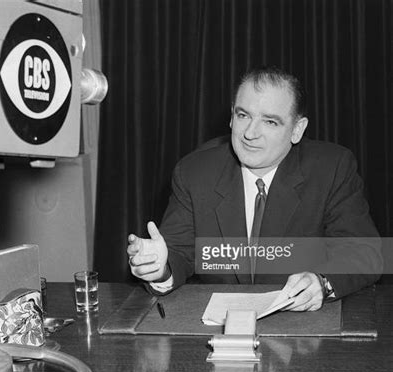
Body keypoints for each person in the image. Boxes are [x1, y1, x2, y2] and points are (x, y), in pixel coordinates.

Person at [127, 66, 382, 312]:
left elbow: (366, 252)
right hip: (218, 330)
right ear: (231, 116)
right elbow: (178, 253)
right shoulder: (194, 172)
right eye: (243, 115)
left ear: (297, 130)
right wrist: (159, 270)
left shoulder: (332, 168)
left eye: (270, 122)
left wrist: (322, 283)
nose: (250, 133)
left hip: (302, 333)